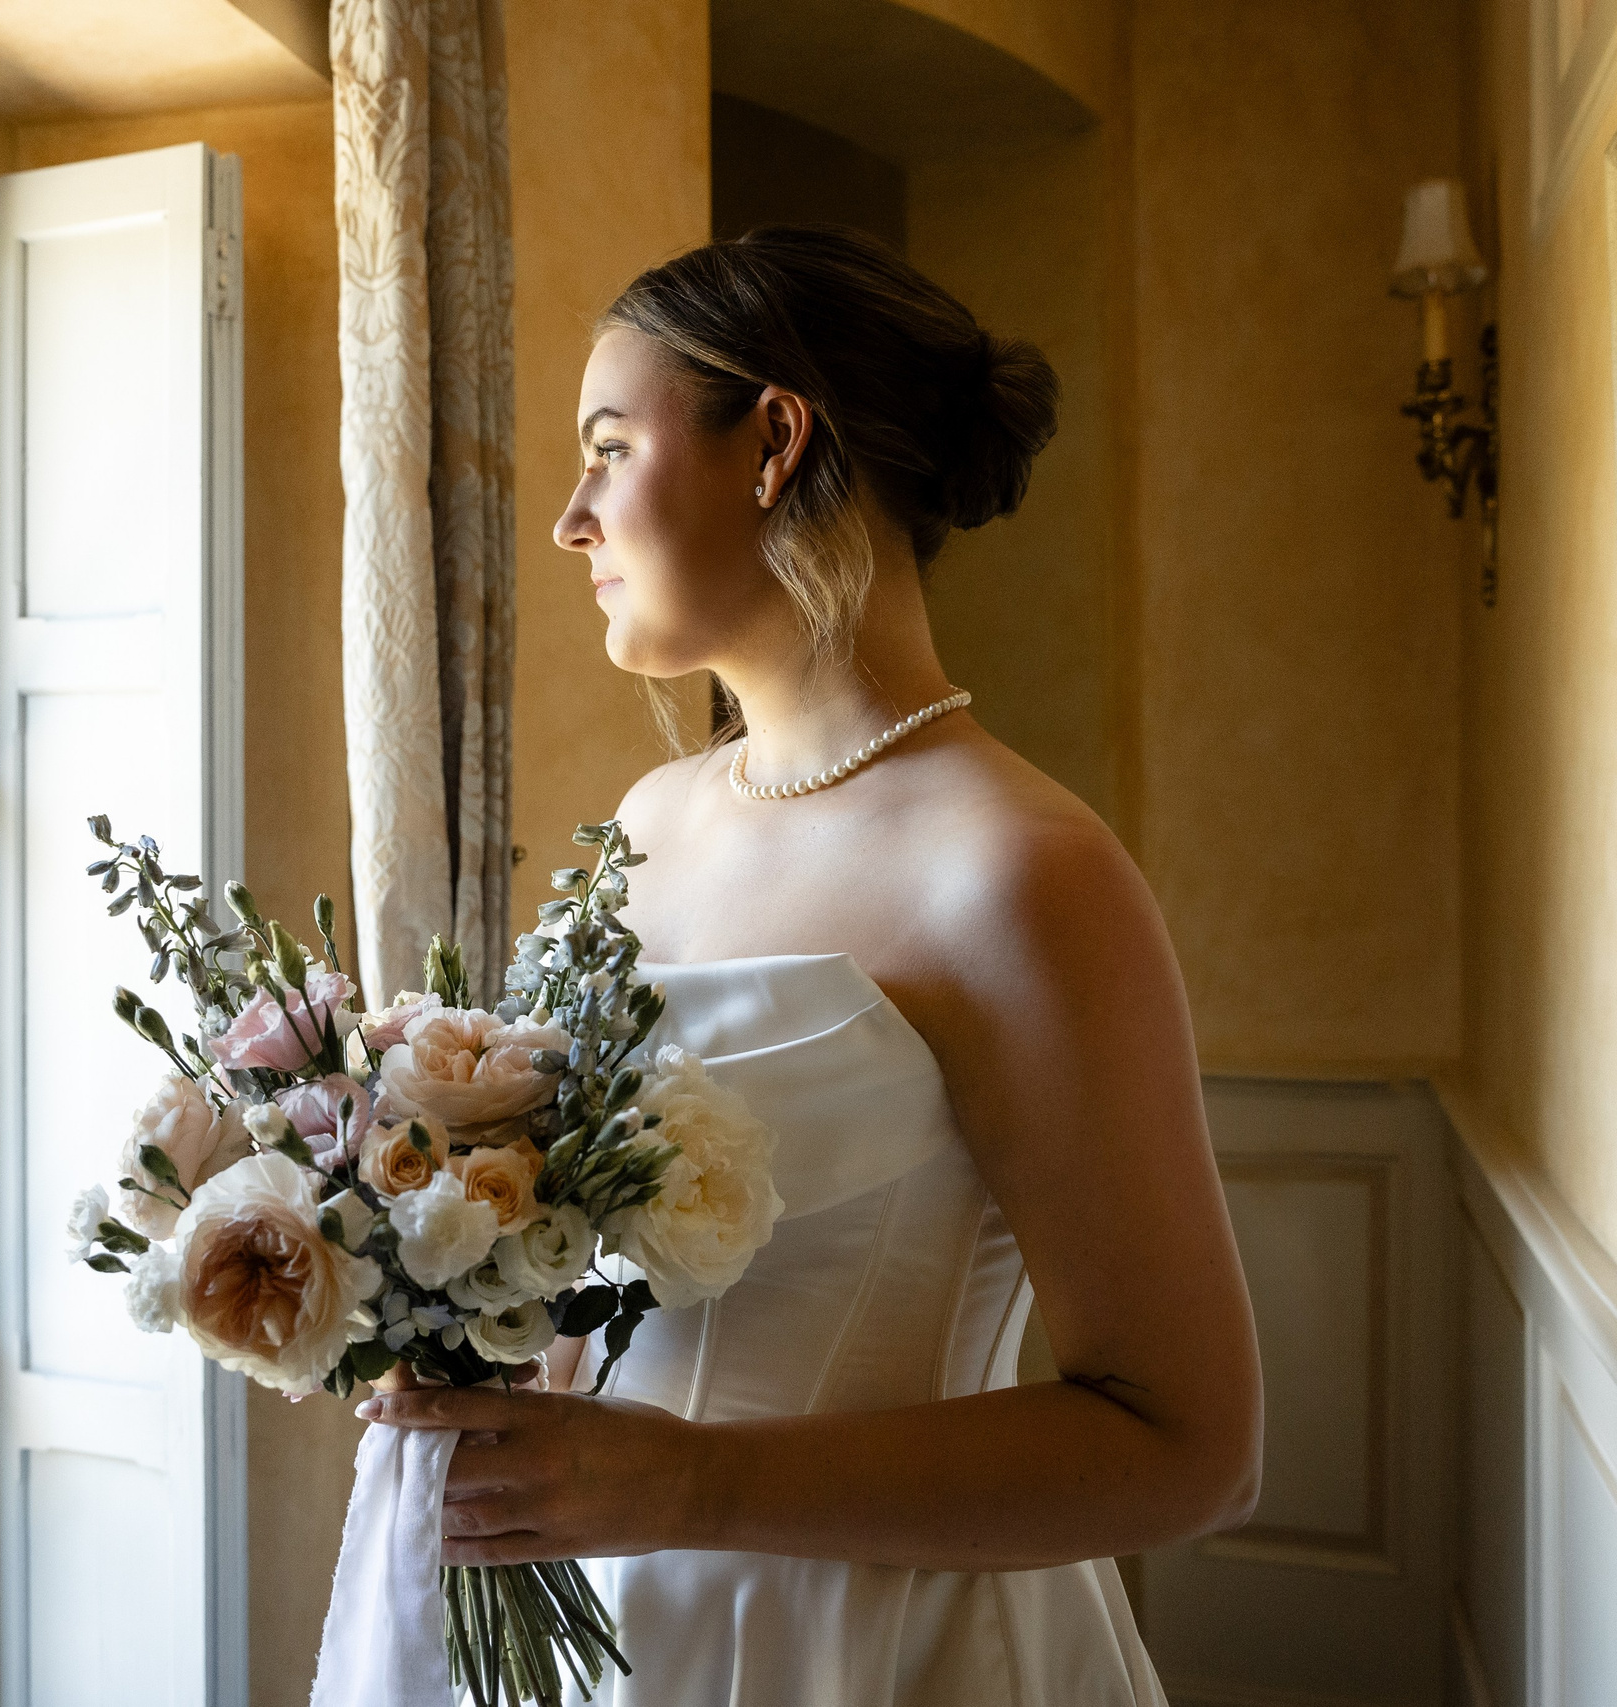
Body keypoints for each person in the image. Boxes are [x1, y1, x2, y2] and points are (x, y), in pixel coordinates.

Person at [358, 226, 1262, 1705]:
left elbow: (1190, 1449)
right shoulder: (646, 826)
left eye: (609, 448)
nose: (572, 520)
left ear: (773, 439)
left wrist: (695, 1491)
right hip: (601, 1630)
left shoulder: (1022, 873)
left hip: (870, 1651)